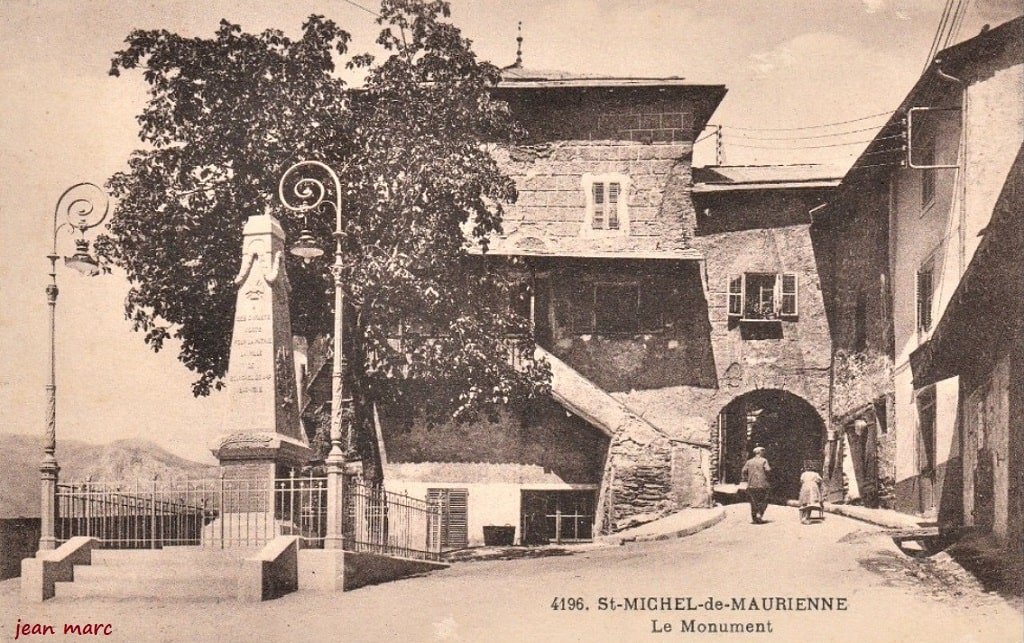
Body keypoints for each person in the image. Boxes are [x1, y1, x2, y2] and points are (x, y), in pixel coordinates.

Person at [741, 446, 771, 524]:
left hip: (751, 484)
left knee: (753, 501)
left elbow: (743, 470)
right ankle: (759, 514)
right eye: (763, 452)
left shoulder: (749, 461)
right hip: (762, 484)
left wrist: (748, 478)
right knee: (764, 500)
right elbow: (768, 470)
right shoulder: (764, 460)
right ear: (760, 452)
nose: (764, 453)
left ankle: (754, 518)